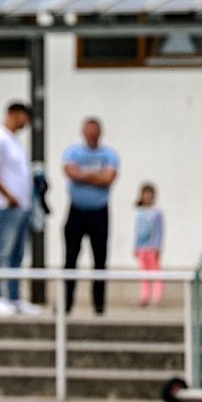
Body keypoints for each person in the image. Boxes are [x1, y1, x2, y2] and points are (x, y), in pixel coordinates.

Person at [0, 102, 40, 317]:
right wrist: (9, 196)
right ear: (14, 114)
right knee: (3, 250)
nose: (25, 122)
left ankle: (14, 298)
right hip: (7, 206)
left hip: (22, 206)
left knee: (17, 254)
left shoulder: (14, 140)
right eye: (24, 117)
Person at [62, 117, 119, 315]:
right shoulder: (73, 152)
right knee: (70, 260)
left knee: (100, 261)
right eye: (88, 132)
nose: (91, 136)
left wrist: (84, 175)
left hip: (99, 213)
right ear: (83, 133)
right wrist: (97, 175)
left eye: (95, 132)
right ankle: (66, 303)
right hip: (76, 211)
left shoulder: (109, 154)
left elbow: (109, 178)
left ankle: (99, 305)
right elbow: (70, 172)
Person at [133, 182, 165, 307]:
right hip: (142, 248)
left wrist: (158, 246)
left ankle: (157, 296)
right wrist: (135, 247)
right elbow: (137, 231)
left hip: (152, 247)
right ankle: (145, 296)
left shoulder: (157, 213)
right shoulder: (140, 213)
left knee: (156, 273)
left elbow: (160, 231)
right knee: (144, 274)